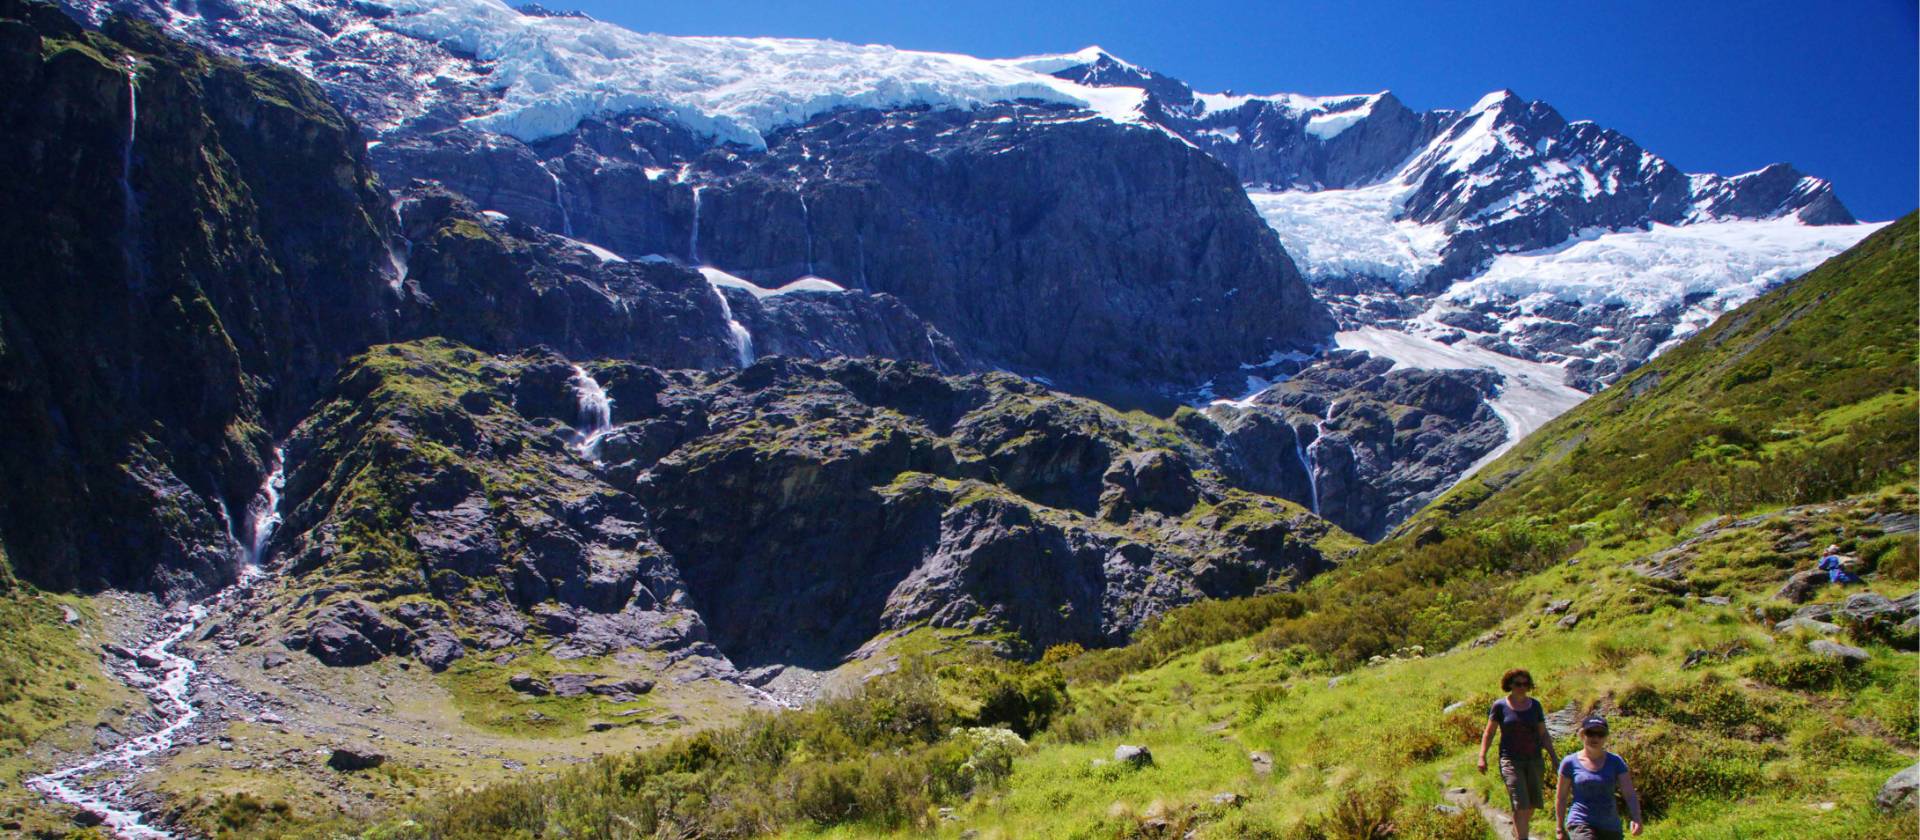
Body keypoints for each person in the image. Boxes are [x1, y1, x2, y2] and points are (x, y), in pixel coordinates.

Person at [1478, 668, 1558, 840]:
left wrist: (1553, 756)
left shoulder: (1535, 706)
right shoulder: (1500, 706)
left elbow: (1543, 733)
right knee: (1520, 803)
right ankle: (1522, 836)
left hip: (1534, 759)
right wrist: (1482, 756)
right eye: (1517, 684)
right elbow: (1489, 732)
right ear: (1509, 685)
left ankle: (1517, 830)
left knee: (1532, 804)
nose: (1522, 687)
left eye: (1525, 684)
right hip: (1510, 760)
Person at [1556, 716, 1643, 840]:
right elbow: (1561, 797)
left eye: (1600, 734)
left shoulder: (1615, 761)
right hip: (1580, 821)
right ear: (1582, 734)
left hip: (1610, 825)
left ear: (1605, 737)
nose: (1595, 738)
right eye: (1590, 733)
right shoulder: (1569, 762)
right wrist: (1559, 828)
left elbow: (1629, 793)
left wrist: (1637, 818)